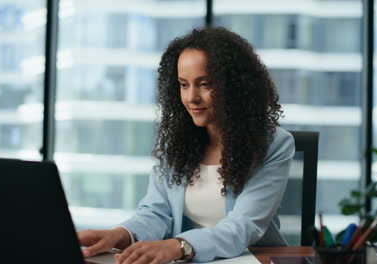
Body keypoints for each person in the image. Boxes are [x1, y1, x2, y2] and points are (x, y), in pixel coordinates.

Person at [78, 27, 295, 264]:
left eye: (205, 84)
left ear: (234, 87)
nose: (191, 97)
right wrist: (119, 235)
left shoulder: (274, 144)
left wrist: (179, 246)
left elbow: (243, 226)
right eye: (183, 84)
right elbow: (156, 213)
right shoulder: (178, 143)